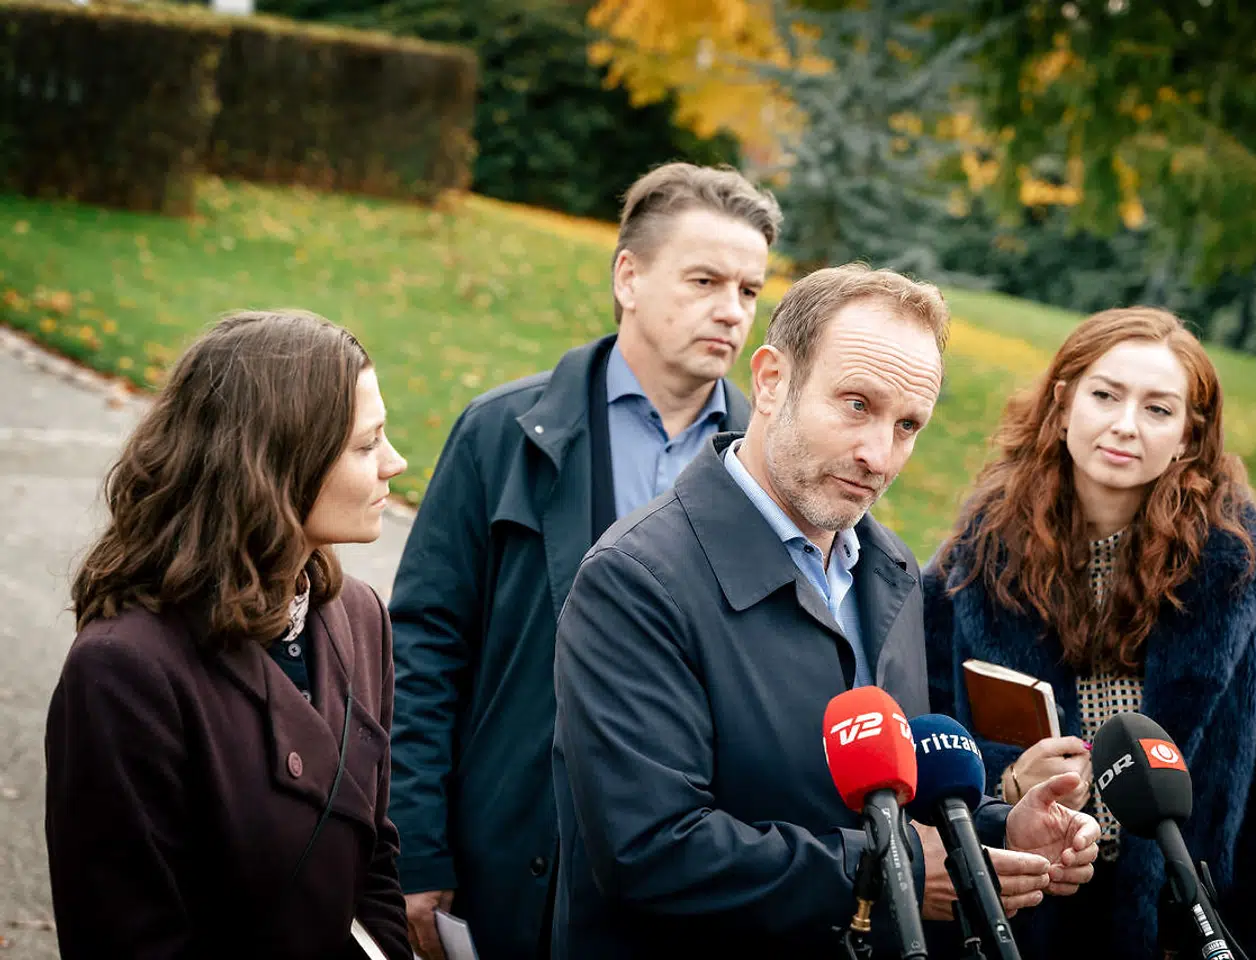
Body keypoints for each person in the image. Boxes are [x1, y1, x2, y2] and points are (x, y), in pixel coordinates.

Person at [551, 264, 1101, 960]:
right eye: (855, 405)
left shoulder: (892, 569)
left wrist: (994, 831)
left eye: (907, 425)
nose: (878, 454)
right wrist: (886, 869)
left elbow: (885, 793)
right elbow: (649, 849)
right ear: (773, 382)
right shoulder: (634, 580)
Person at [387, 162, 781, 958]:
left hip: (678, 885)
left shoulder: (766, 466)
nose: (731, 312)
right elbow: (424, 649)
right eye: (705, 280)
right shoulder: (503, 434)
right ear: (628, 277)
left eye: (748, 290)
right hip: (506, 855)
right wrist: (415, 847)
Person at [924, 306, 1256, 959]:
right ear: (1063, 401)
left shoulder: (1247, 580)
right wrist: (1010, 781)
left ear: (1188, 437)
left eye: (1159, 410)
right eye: (1105, 395)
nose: (1125, 426)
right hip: (1025, 912)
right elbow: (932, 738)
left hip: (1178, 920)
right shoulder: (972, 567)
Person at [45, 310, 411, 958]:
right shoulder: (125, 671)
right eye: (365, 445)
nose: (395, 463)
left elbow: (373, 859)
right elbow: (126, 935)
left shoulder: (358, 616)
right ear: (275, 464)